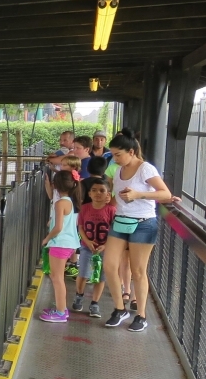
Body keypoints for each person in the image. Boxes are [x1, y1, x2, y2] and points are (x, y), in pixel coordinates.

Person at [102, 129, 172, 331]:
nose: (114, 159)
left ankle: (141, 315)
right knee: (109, 265)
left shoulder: (145, 169)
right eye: (113, 155)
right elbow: (119, 197)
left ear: (131, 152)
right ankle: (119, 308)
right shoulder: (117, 170)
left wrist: (138, 195)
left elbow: (165, 193)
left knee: (138, 271)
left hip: (143, 223)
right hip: (120, 221)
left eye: (117, 155)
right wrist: (110, 200)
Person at [40, 169, 82, 323]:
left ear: (56, 185)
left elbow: (58, 227)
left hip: (60, 243)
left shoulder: (60, 203)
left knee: (57, 278)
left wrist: (46, 238)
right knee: (56, 277)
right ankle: (61, 308)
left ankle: (60, 313)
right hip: (69, 243)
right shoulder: (72, 201)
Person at [71, 177, 115, 318]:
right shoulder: (85, 208)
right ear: (89, 193)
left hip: (104, 249)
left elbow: (115, 231)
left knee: (101, 277)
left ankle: (95, 303)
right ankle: (79, 295)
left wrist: (106, 245)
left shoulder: (111, 210)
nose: (98, 193)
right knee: (83, 273)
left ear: (108, 194)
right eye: (94, 190)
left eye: (102, 191)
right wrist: (87, 241)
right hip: (86, 247)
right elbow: (81, 227)